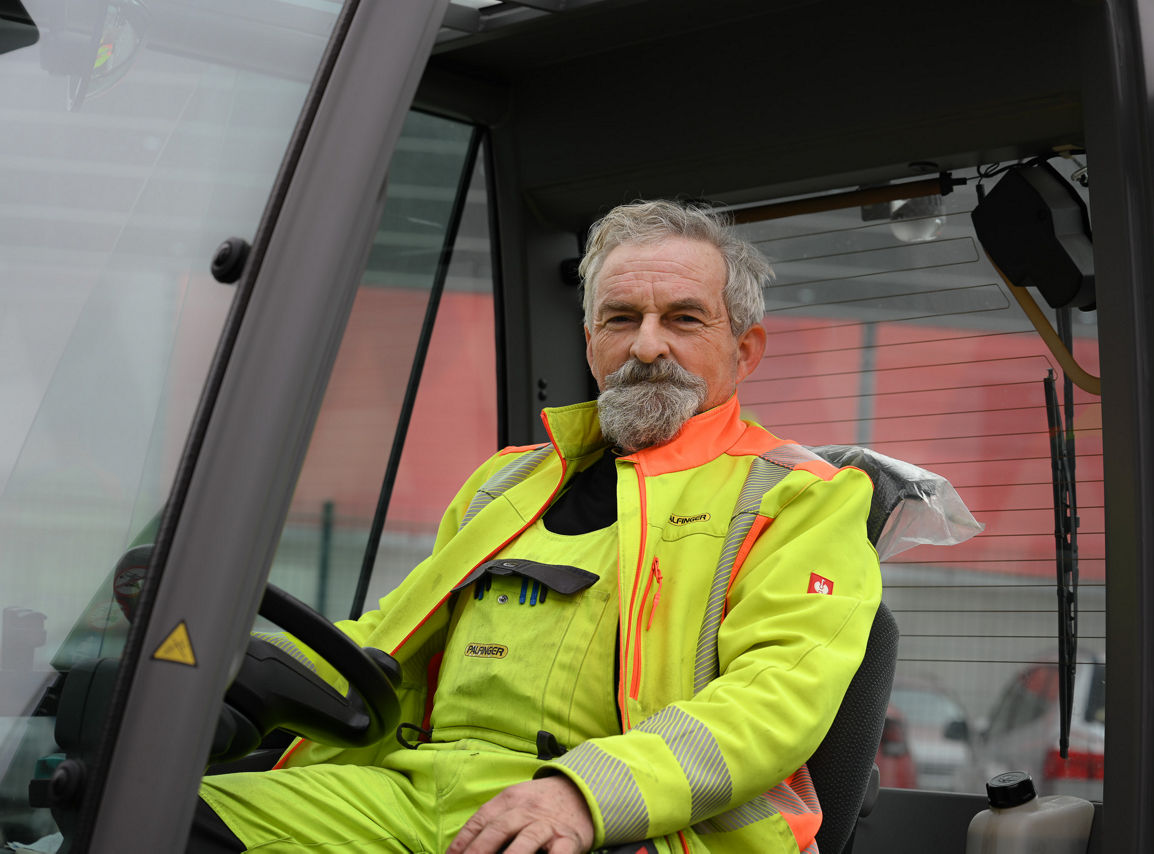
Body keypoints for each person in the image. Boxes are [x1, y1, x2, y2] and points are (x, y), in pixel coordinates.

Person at [192, 200, 882, 854]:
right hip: (411, 793)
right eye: (620, 319)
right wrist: (211, 673)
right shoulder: (506, 481)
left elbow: (775, 697)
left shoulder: (800, 498)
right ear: (590, 342)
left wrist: (585, 793)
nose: (647, 346)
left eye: (683, 319)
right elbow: (386, 636)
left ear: (745, 350)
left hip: (637, 820)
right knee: (165, 811)